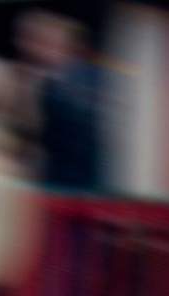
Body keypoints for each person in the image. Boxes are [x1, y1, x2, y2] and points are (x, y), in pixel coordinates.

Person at [15, 10, 110, 194]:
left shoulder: (79, 80)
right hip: (61, 182)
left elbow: (37, 130)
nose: (27, 48)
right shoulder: (55, 80)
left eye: (34, 41)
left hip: (76, 186)